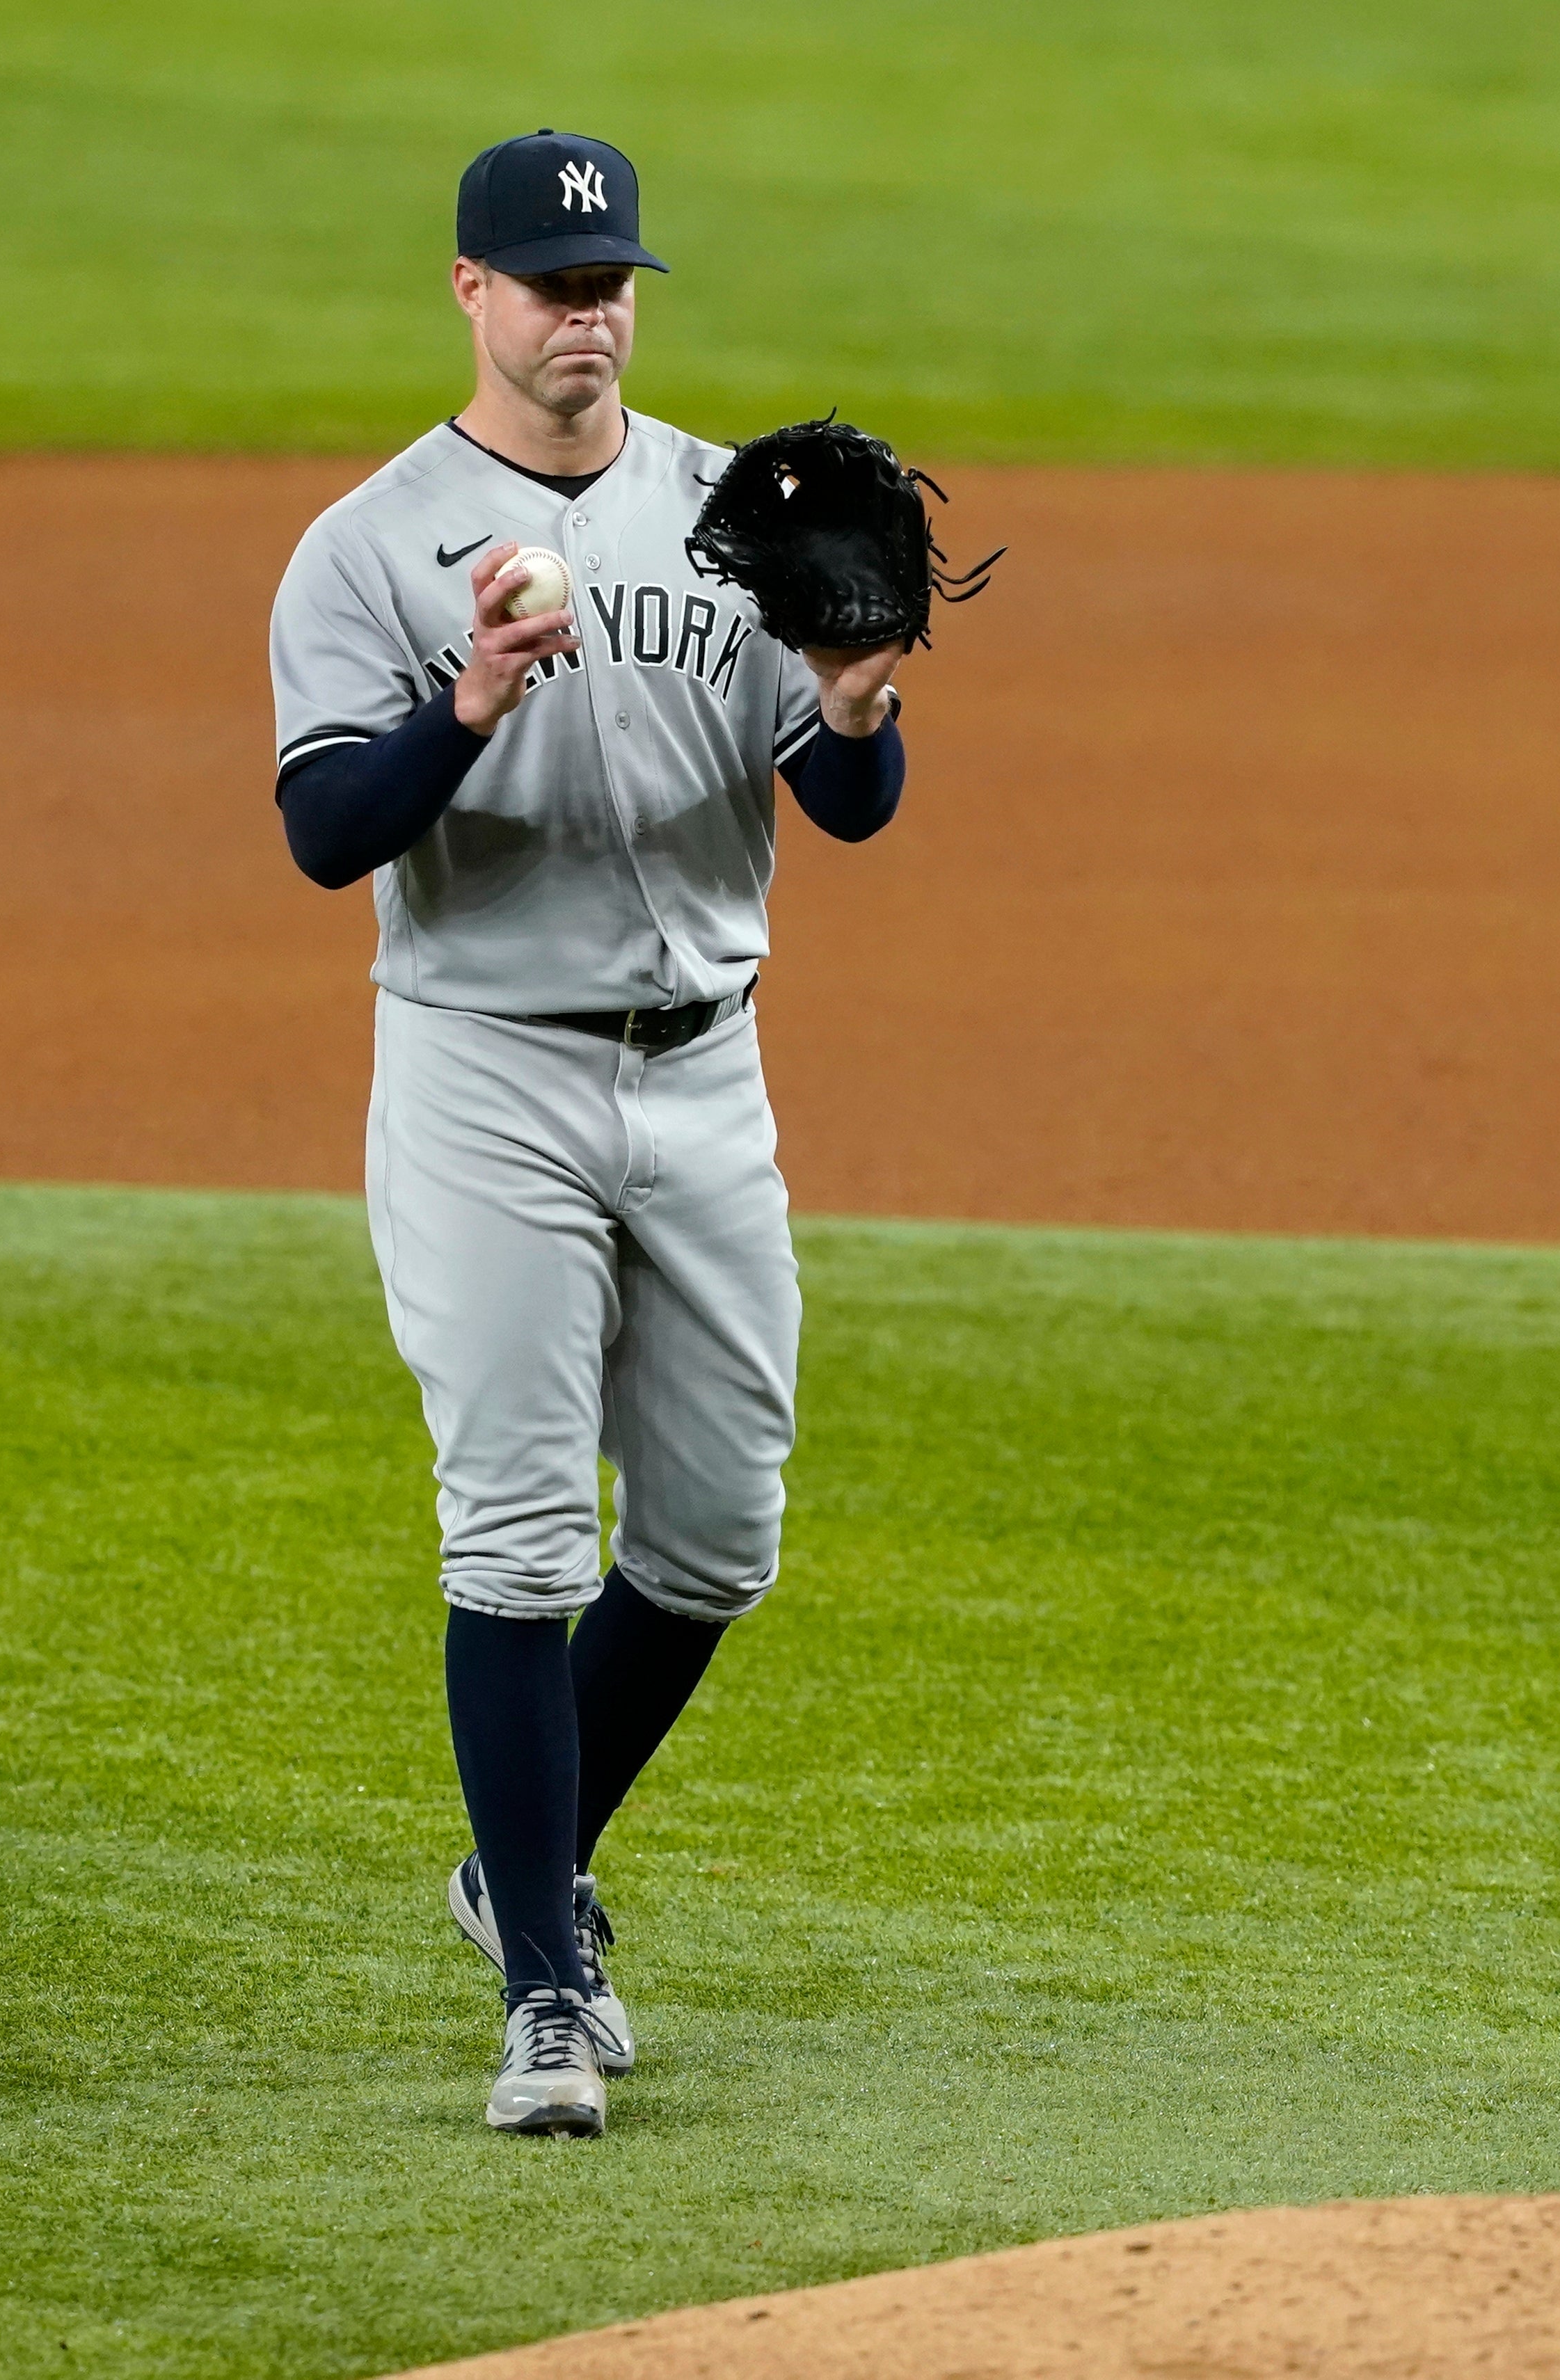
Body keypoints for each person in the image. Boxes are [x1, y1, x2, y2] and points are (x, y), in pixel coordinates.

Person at [264, 129, 910, 2137]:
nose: (587, 311)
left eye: (611, 277)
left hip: (705, 1069)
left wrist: (867, 706)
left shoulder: (735, 516)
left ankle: (508, 1869)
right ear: (469, 292)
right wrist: (464, 698)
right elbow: (320, 835)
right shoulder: (368, 542)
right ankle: (547, 1987)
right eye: (549, 281)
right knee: (523, 1535)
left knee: (718, 1539)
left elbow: (855, 815)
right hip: (486, 1078)